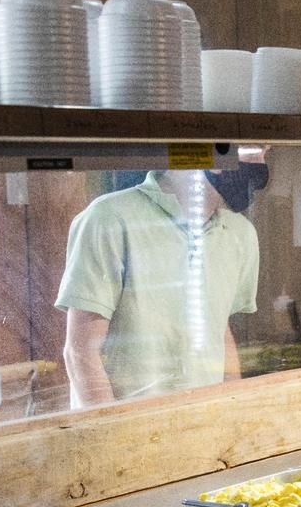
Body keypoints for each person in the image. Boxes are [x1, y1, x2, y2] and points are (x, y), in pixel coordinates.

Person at [57, 168, 262, 406]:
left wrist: (233, 414)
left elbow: (220, 331)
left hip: (203, 426)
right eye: (253, 150)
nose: (260, 167)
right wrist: (112, 435)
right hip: (131, 430)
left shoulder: (241, 234)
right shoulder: (108, 217)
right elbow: (81, 352)